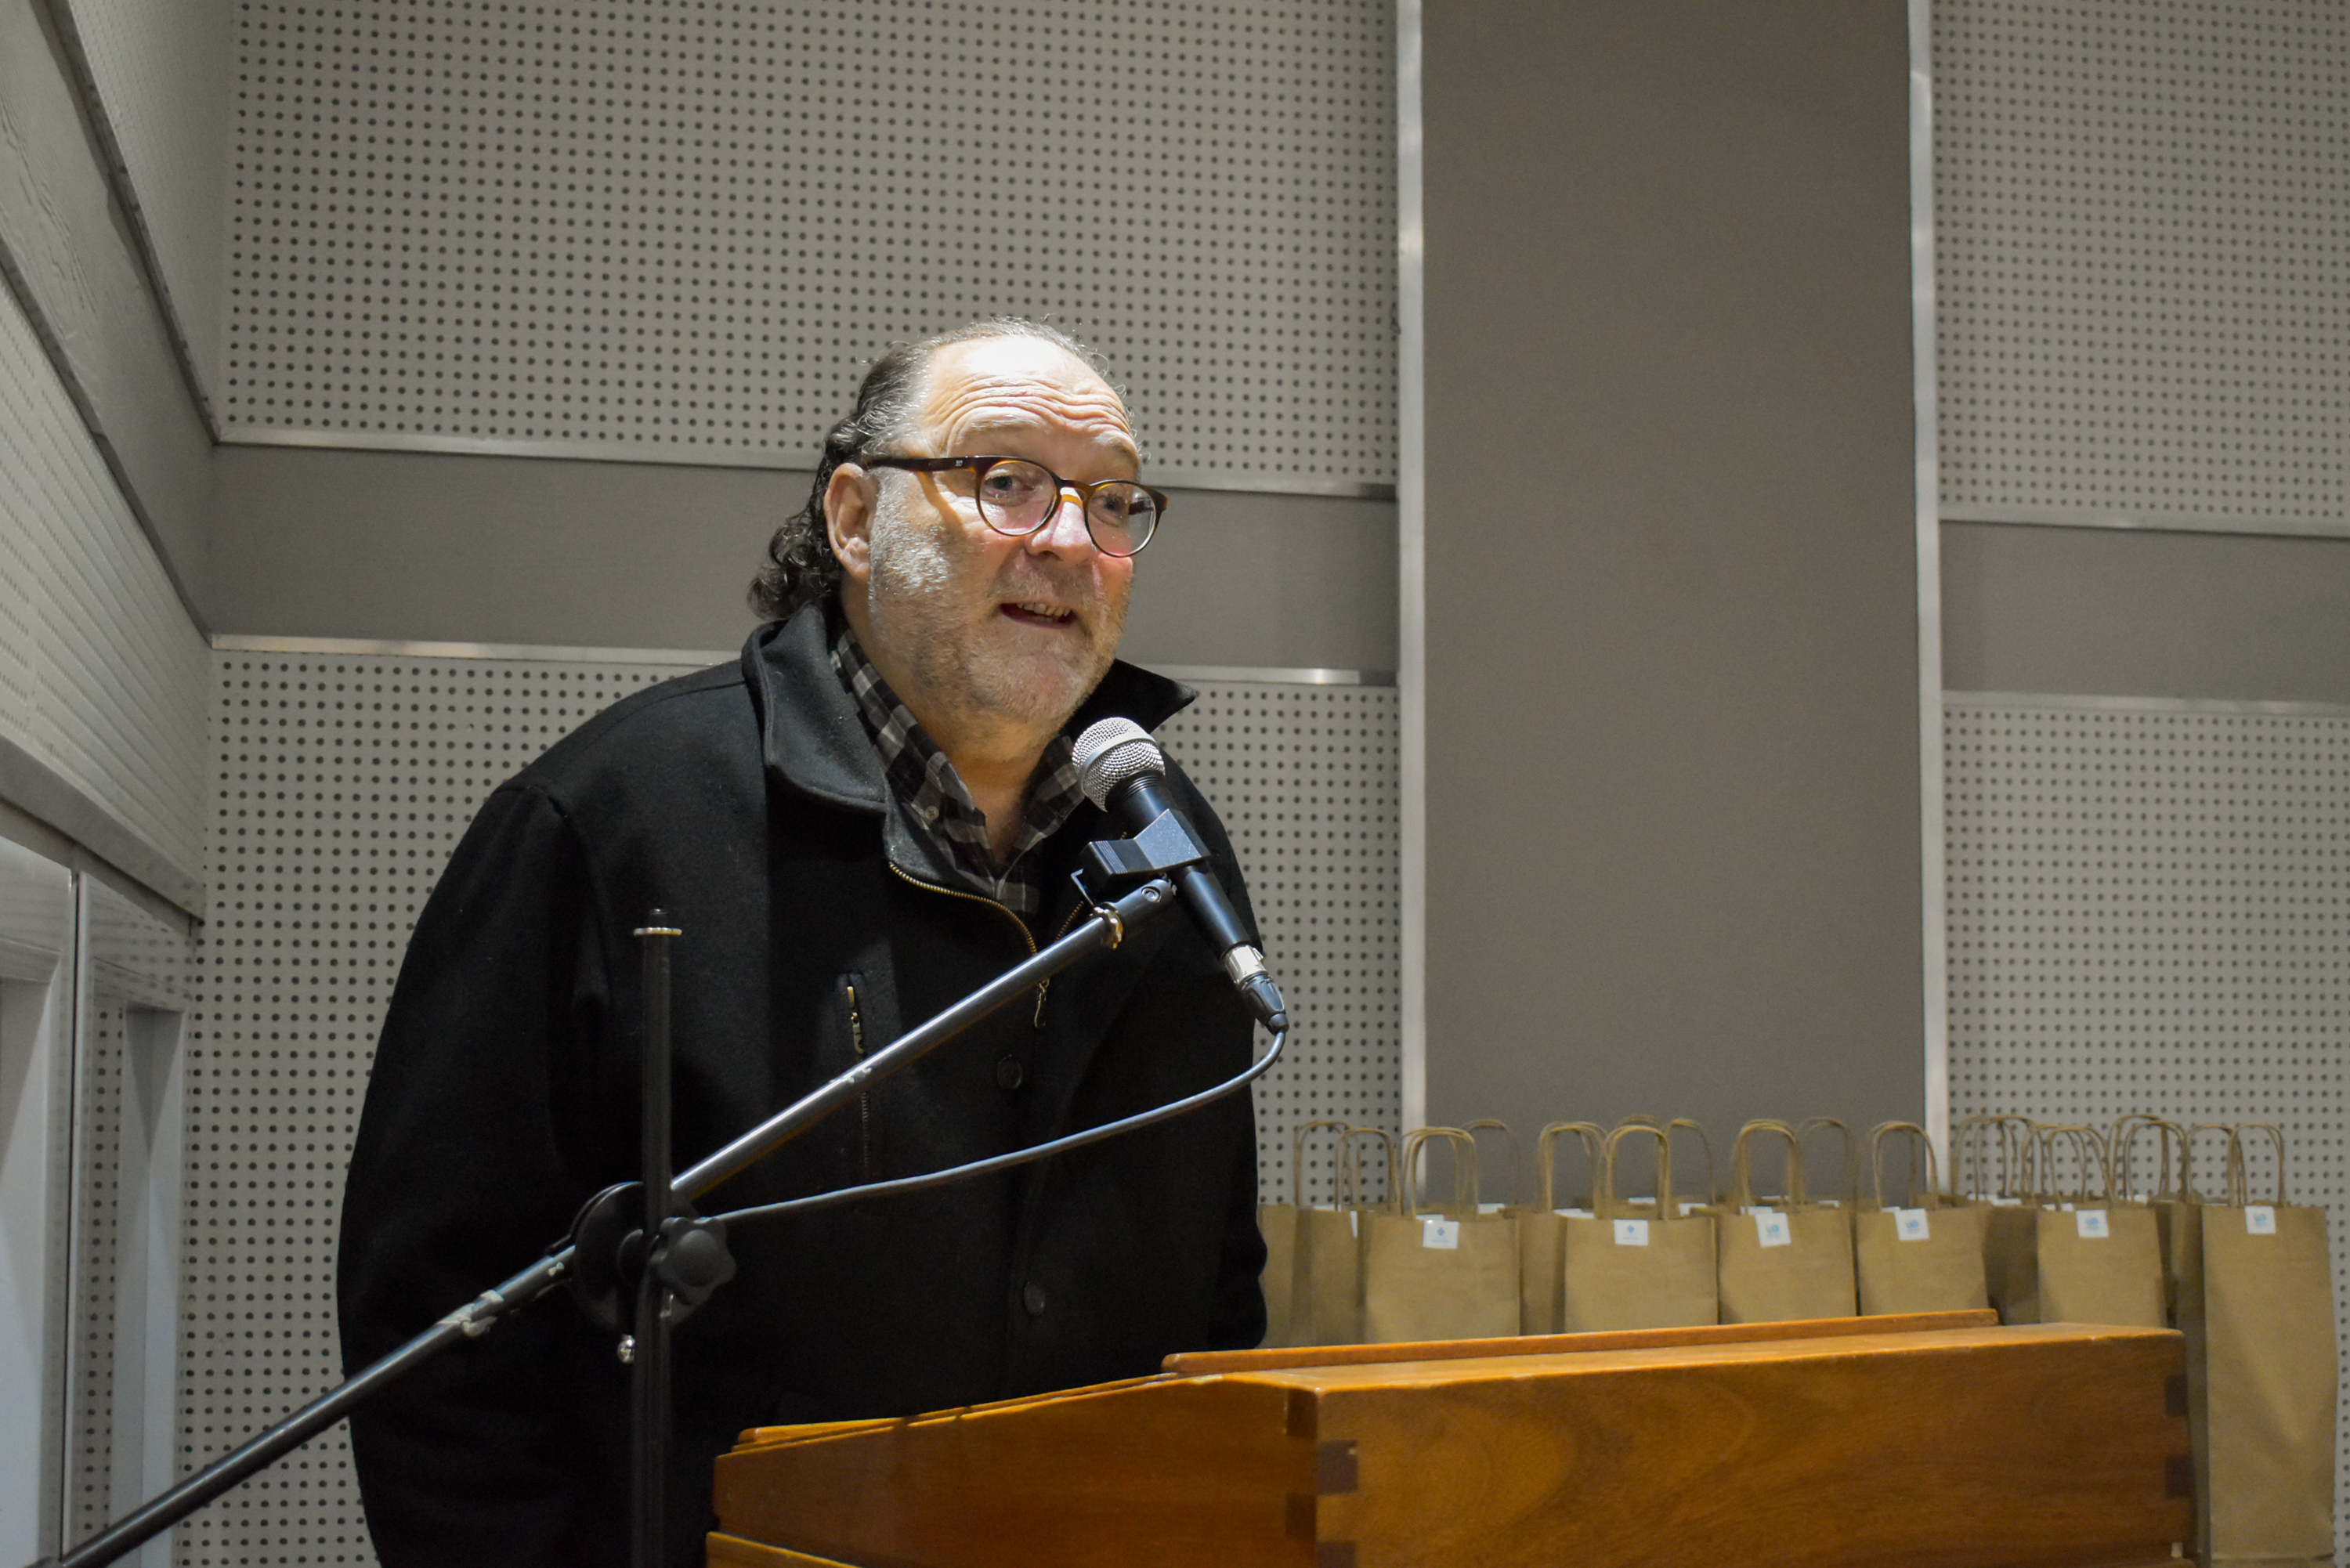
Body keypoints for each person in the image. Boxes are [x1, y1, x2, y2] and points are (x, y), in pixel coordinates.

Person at [336, 319, 1268, 1568]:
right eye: (1006, 481)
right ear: (855, 518)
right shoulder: (609, 821)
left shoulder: (1165, 839)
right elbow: (443, 1337)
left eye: (1111, 501)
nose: (1066, 539)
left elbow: (1217, 1282)